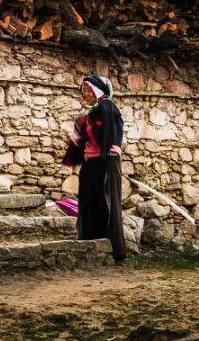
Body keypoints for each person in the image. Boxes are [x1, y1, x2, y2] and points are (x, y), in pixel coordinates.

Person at [65, 74, 127, 262]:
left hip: (105, 161)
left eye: (88, 90)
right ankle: (88, 240)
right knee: (88, 200)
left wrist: (111, 149)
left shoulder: (107, 107)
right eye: (83, 91)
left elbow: (110, 132)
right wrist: (75, 139)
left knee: (105, 202)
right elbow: (86, 141)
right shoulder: (89, 115)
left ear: (98, 90)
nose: (85, 94)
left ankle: (113, 248)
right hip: (90, 163)